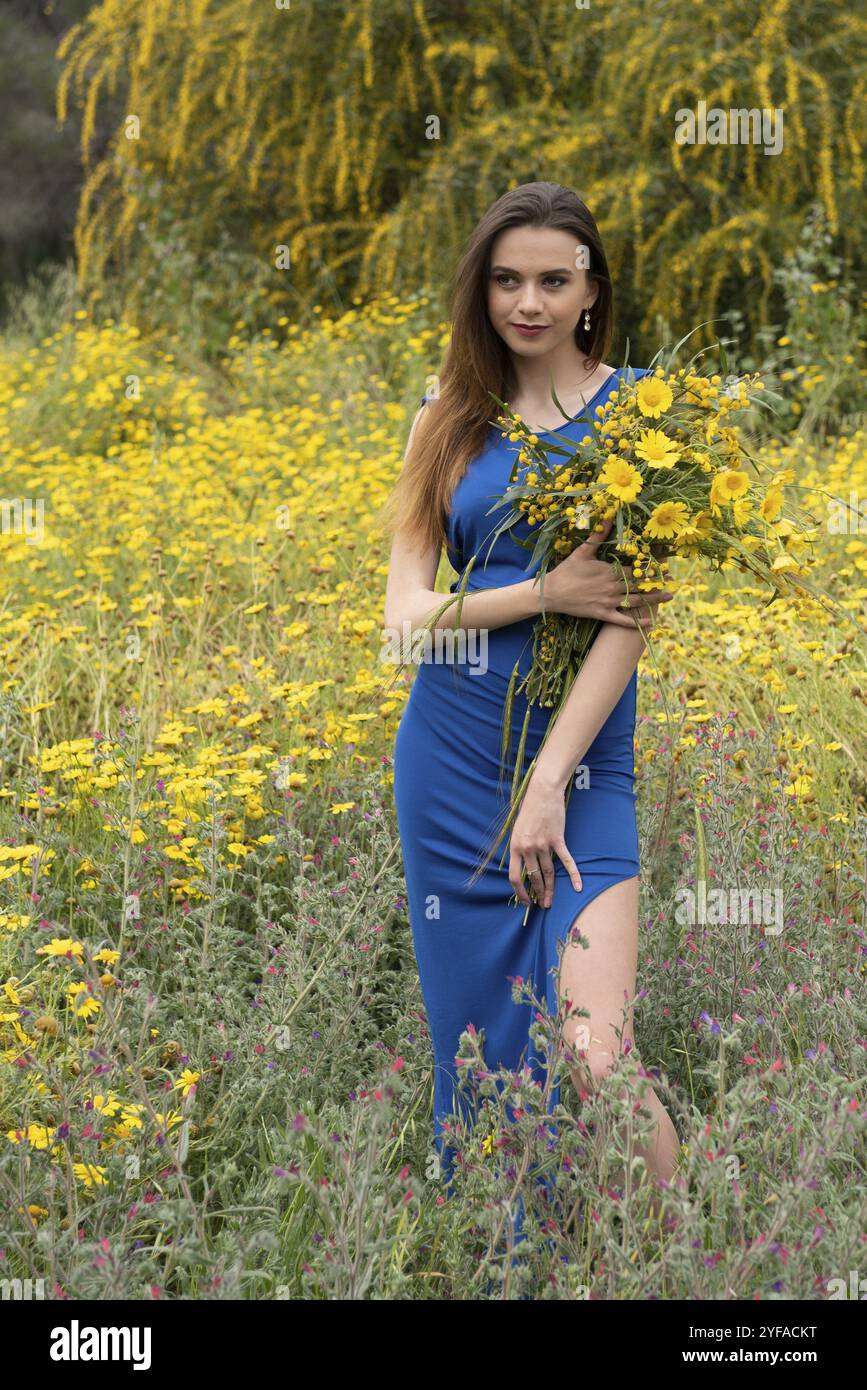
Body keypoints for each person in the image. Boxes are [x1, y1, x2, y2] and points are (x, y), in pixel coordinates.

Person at [383, 181, 681, 1222]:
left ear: (594, 290)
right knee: (481, 1048)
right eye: (508, 279)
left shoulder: (646, 414)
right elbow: (405, 617)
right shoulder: (445, 417)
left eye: (555, 279)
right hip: (451, 764)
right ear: (481, 290)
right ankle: (531, 1264)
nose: (530, 301)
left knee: (597, 1052)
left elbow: (631, 619)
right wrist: (544, 590)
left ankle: (688, 1274)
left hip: (584, 768)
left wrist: (551, 780)